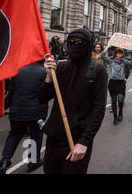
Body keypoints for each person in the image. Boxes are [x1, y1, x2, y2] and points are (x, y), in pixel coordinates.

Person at [40, 28, 107, 174]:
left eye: (80, 43)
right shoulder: (62, 67)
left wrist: (84, 141)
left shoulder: (98, 71)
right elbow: (43, 98)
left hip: (76, 140)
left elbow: (99, 109)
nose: (75, 45)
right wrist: (48, 78)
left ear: (88, 45)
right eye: (71, 42)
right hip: (54, 138)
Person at [0, 61, 48, 174]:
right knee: (35, 136)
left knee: (14, 135)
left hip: (17, 109)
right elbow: (47, 92)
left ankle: (5, 160)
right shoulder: (44, 72)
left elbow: (11, 91)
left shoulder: (18, 71)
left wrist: (8, 106)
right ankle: (33, 162)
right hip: (36, 111)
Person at [101, 47, 132, 125]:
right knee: (113, 101)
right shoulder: (110, 61)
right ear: (115, 54)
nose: (119, 55)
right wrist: (108, 47)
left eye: (120, 53)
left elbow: (131, 63)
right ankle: (115, 118)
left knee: (120, 99)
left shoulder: (124, 61)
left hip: (121, 83)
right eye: (118, 53)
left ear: (122, 54)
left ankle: (120, 112)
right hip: (112, 82)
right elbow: (102, 55)